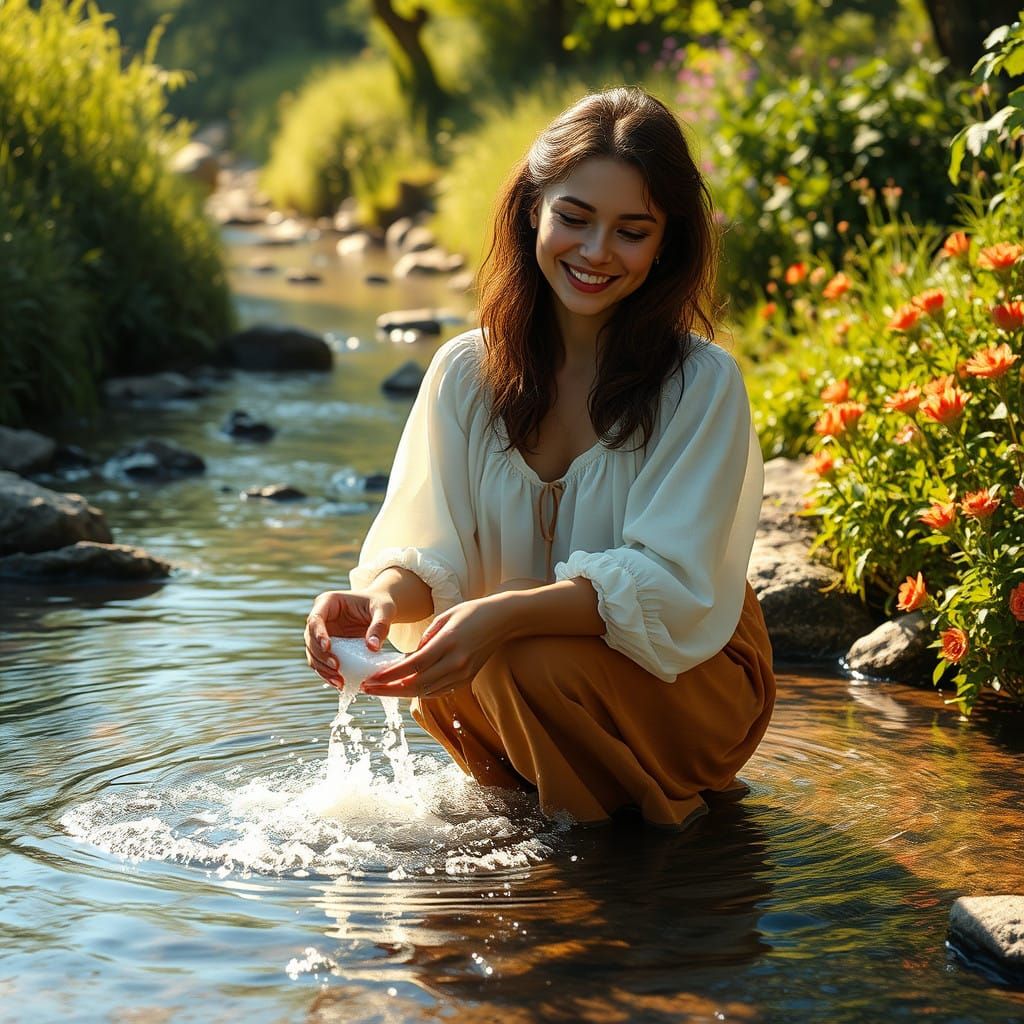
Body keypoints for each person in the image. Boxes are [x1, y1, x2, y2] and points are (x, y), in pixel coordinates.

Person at [304, 87, 775, 831]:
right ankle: (549, 852)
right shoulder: (465, 372)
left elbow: (675, 587)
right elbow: (432, 549)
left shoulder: (700, 384)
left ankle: (594, 880)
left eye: (632, 231)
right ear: (533, 209)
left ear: (666, 243)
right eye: (575, 218)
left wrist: (504, 615)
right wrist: (382, 602)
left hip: (688, 668)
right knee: (470, 641)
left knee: (511, 645)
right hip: (517, 666)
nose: (594, 253)